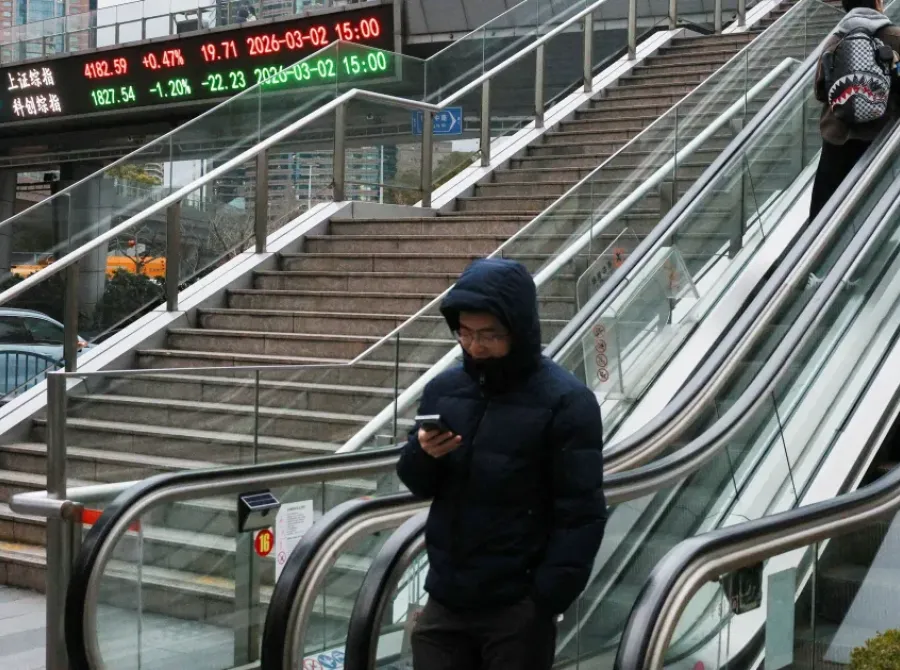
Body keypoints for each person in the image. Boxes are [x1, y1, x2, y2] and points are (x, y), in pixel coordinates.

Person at [397, 258, 607, 670]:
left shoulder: (566, 402)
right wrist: (424, 454)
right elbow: (417, 482)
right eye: (466, 333)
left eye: (489, 335)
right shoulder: (444, 389)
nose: (475, 346)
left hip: (516, 608)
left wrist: (542, 601)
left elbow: (581, 513)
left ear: (519, 329)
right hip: (446, 598)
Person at [810, 0, 900, 221]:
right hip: (883, 136)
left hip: (837, 137)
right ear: (878, 4)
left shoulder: (834, 40)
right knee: (877, 205)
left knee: (826, 208)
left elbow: (820, 91)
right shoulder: (896, 37)